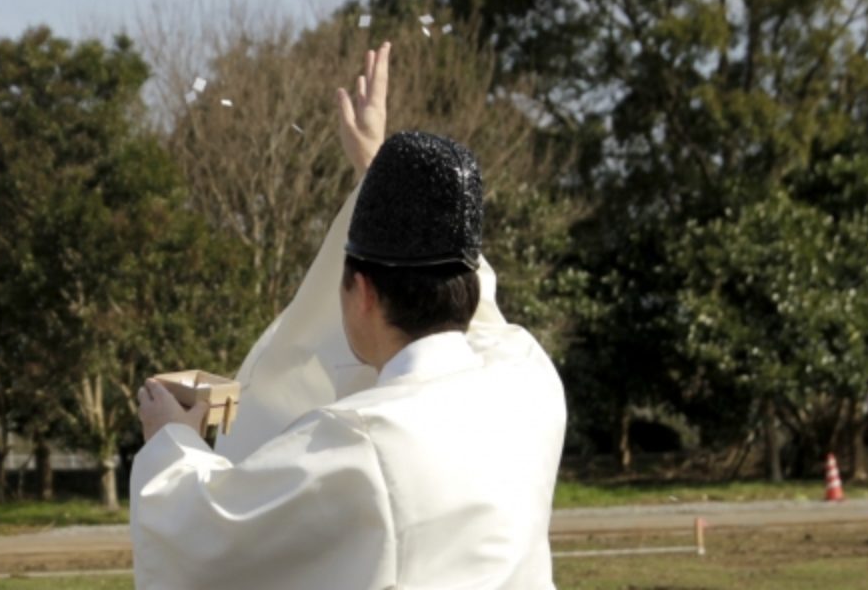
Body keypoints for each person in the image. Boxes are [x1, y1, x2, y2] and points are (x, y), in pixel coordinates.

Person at [130, 42, 567, 589]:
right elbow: (476, 296)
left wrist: (172, 442)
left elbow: (212, 538)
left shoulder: (359, 443)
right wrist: (378, 172)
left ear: (361, 291)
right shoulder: (527, 377)